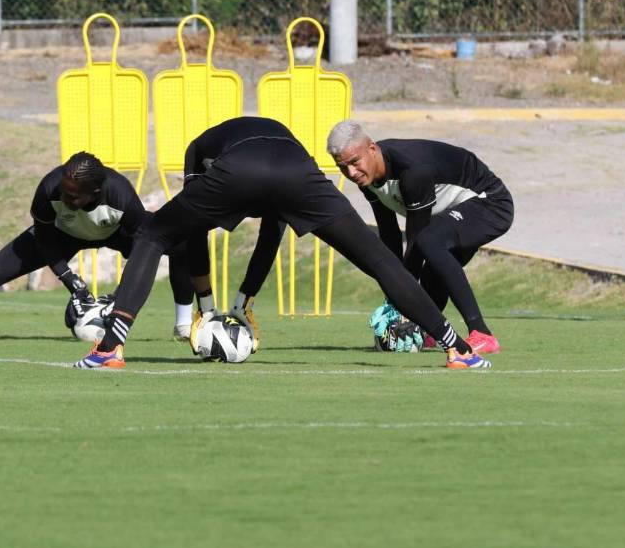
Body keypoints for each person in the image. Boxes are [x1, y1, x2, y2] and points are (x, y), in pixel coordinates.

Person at [77, 116, 492, 371]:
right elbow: (273, 227)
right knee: (381, 259)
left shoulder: (199, 148)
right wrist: (242, 299)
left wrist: (207, 308)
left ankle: (110, 348)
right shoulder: (280, 138)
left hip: (240, 168)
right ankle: (458, 349)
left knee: (152, 233)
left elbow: (190, 232)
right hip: (299, 173)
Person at [0, 151, 197, 341]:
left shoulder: (121, 196)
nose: (65, 198)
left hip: (114, 234)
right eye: (64, 191)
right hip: (61, 236)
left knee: (182, 245)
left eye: (74, 196)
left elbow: (143, 250)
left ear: (96, 192)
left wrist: (117, 298)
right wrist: (73, 282)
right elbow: (44, 240)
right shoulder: (49, 188)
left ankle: (184, 323)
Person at [326, 120, 514, 355]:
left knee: (429, 243)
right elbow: (390, 234)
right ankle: (428, 333)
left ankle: (481, 333)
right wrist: (392, 286)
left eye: (354, 162)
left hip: (491, 203)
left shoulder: (412, 173)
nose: (351, 173)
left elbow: (416, 240)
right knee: (433, 269)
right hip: (452, 211)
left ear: (372, 149)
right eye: (342, 167)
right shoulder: (367, 177)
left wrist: (401, 299)